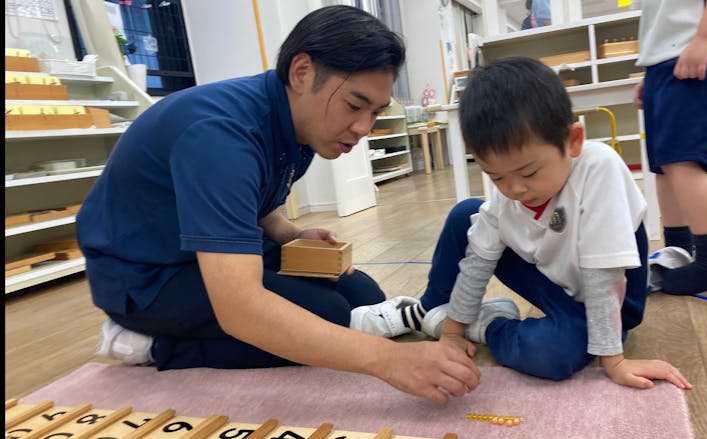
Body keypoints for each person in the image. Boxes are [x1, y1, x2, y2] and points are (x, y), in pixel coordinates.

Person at [76, 5, 480, 406]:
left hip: (200, 252)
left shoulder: (294, 125)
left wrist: (291, 234)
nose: (362, 128)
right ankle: (151, 345)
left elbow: (251, 197)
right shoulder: (222, 137)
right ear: (302, 73)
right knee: (328, 317)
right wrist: (391, 361)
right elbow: (241, 310)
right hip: (145, 276)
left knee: (362, 296)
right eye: (355, 106)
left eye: (375, 113)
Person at [351, 56, 692, 391]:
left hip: (605, 298)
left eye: (528, 172)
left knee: (552, 354)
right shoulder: (512, 191)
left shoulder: (599, 168)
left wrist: (614, 361)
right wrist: (451, 333)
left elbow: (605, 279)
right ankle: (431, 308)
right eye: (496, 176)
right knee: (466, 214)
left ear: (573, 141)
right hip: (554, 282)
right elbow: (477, 263)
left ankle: (486, 324)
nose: (514, 189)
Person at [633, 0, 707, 295]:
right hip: (668, 56)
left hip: (697, 47)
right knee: (663, 164)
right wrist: (653, 66)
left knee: (682, 160)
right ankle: (677, 251)